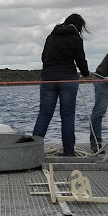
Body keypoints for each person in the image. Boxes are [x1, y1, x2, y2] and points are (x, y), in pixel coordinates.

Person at [32, 14, 90, 156]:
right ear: (79, 26)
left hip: (48, 78)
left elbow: (43, 57)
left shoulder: (51, 36)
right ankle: (69, 153)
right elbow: (80, 59)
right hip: (68, 79)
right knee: (68, 116)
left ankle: (32, 151)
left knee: (44, 114)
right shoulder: (75, 38)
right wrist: (86, 73)